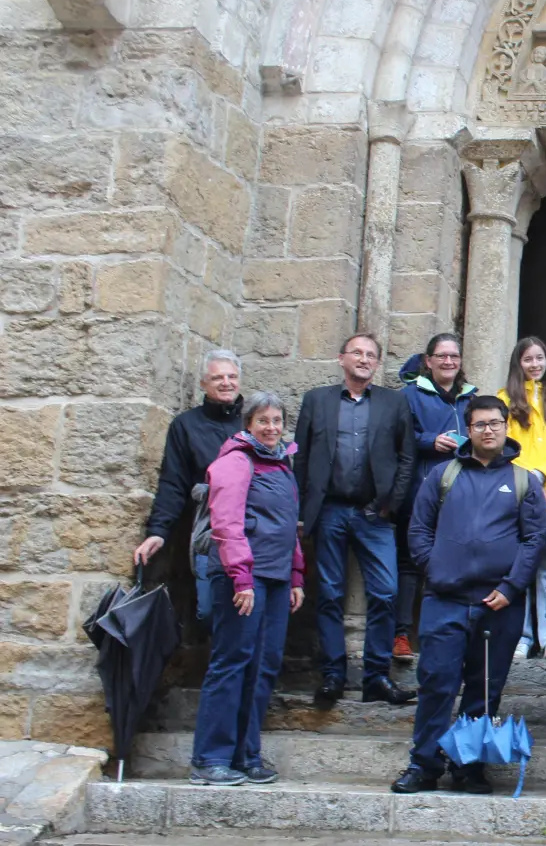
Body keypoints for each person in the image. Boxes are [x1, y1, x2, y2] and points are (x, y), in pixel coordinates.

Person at [391, 395, 546, 795]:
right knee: (436, 683)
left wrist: (510, 587)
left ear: (506, 427)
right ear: (468, 429)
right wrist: (436, 569)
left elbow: (534, 540)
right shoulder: (442, 475)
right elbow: (418, 530)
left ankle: (468, 766)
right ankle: (424, 764)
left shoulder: (524, 482)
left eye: (495, 423)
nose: (488, 430)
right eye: (480, 424)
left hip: (499, 605)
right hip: (445, 600)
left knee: (485, 688)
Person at [188, 391, 304, 786]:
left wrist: (296, 576)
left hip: (276, 578)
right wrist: (241, 578)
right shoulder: (235, 462)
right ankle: (210, 758)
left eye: (277, 421)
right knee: (232, 662)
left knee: (264, 665)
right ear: (248, 425)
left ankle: (245, 755)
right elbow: (227, 524)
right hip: (242, 578)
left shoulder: (281, 464)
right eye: (263, 421)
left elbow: (289, 527)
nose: (271, 428)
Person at [294, 333, 416, 707]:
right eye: (357, 353)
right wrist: (300, 511)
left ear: (377, 363)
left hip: (374, 513)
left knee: (385, 592)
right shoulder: (317, 400)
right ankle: (333, 674)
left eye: (371, 355)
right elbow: (301, 457)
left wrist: (390, 503)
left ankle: (376, 677)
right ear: (341, 358)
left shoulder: (394, 402)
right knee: (330, 593)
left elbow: (407, 458)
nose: (364, 359)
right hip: (329, 509)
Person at [134, 350, 244, 615]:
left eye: (232, 376)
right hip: (207, 532)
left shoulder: (253, 424)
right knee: (207, 610)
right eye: (217, 378)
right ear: (203, 384)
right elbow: (173, 482)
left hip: (248, 531)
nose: (226, 383)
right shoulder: (186, 425)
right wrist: (158, 531)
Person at [395, 333, 477, 662]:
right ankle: (401, 633)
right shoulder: (409, 396)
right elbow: (397, 437)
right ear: (427, 361)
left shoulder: (471, 398)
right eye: (441, 356)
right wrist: (431, 441)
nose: (448, 361)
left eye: (454, 356)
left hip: (461, 493)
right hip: (420, 489)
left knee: (456, 561)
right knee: (410, 562)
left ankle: (454, 632)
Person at [499, 336, 546, 663]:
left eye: (539, 358)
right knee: (519, 566)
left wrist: (540, 474)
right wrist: (527, 478)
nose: (535, 365)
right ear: (518, 363)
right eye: (528, 359)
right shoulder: (504, 400)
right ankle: (520, 636)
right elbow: (503, 444)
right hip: (515, 491)